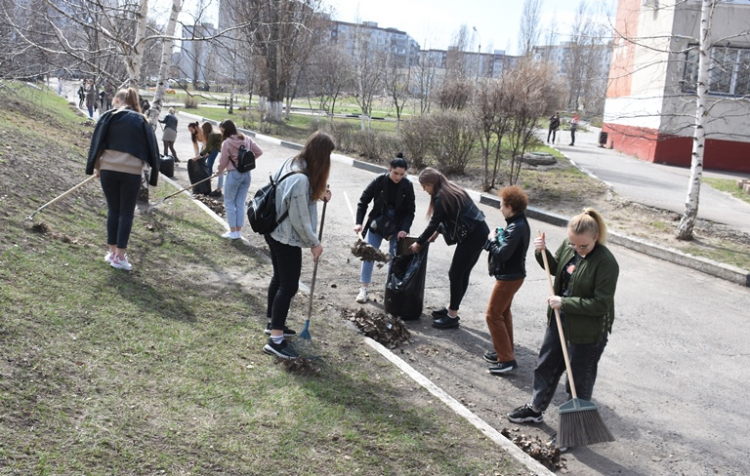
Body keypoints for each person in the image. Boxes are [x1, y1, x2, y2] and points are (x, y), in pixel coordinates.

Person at [507, 209, 619, 451]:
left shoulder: (606, 263)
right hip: (559, 319)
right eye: (573, 244)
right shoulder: (571, 247)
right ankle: (535, 409)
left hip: (587, 331)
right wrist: (542, 251)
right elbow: (556, 268)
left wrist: (565, 302)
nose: (578, 250)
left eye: (584, 246)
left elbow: (600, 304)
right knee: (546, 365)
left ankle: (573, 432)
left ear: (596, 237)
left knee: (578, 381)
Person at [263, 131, 335, 359]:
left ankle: (273, 323)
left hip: (273, 230)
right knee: (289, 286)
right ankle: (275, 340)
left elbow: (292, 198)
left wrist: (318, 194)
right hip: (285, 238)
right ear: (322, 156)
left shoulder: (293, 162)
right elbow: (300, 219)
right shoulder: (301, 179)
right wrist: (314, 243)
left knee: (279, 278)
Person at [85, 87, 160, 271]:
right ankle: (120, 256)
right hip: (131, 172)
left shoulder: (109, 117)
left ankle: (112, 252)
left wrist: (97, 167)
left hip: (108, 170)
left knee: (113, 210)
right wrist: (153, 171)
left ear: (119, 100)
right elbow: (152, 147)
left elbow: (98, 143)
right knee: (126, 212)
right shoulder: (141, 120)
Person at [409, 167, 490, 329]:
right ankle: (452, 309)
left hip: (473, 236)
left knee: (455, 273)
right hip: (478, 231)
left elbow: (434, 222)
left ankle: (452, 315)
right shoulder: (450, 188)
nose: (424, 190)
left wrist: (419, 242)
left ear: (432, 184)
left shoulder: (442, 196)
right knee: (462, 272)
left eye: (425, 186)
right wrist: (438, 233)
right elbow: (447, 216)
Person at [353, 153, 416, 303]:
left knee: (394, 259)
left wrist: (405, 229)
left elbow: (410, 211)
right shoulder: (379, 181)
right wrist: (359, 222)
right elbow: (363, 201)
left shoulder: (407, 186)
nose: (398, 177)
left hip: (397, 226)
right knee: (369, 254)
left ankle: (390, 291)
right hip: (378, 223)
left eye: (402, 174)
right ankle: (364, 289)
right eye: (395, 173)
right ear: (389, 169)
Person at [483, 186, 530, 374]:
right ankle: (504, 351)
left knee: (492, 314)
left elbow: (502, 255)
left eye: (501, 205)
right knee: (503, 313)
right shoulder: (519, 223)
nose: (500, 209)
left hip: (509, 278)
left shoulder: (516, 227)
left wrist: (493, 239)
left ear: (510, 207)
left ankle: (506, 359)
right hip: (514, 275)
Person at [216, 119, 263, 240]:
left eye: (222, 131)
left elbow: (223, 161)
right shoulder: (246, 138)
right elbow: (259, 152)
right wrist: (246, 163)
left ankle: (232, 231)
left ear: (226, 131)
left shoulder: (227, 142)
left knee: (229, 202)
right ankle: (238, 232)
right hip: (247, 174)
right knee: (240, 203)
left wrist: (219, 171)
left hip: (234, 175)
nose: (221, 133)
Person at [201, 122, 224, 196]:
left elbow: (211, 147)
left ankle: (209, 182)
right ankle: (208, 180)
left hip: (216, 150)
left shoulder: (212, 134)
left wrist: (201, 154)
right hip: (214, 150)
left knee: (209, 165)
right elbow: (207, 146)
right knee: (209, 165)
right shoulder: (212, 133)